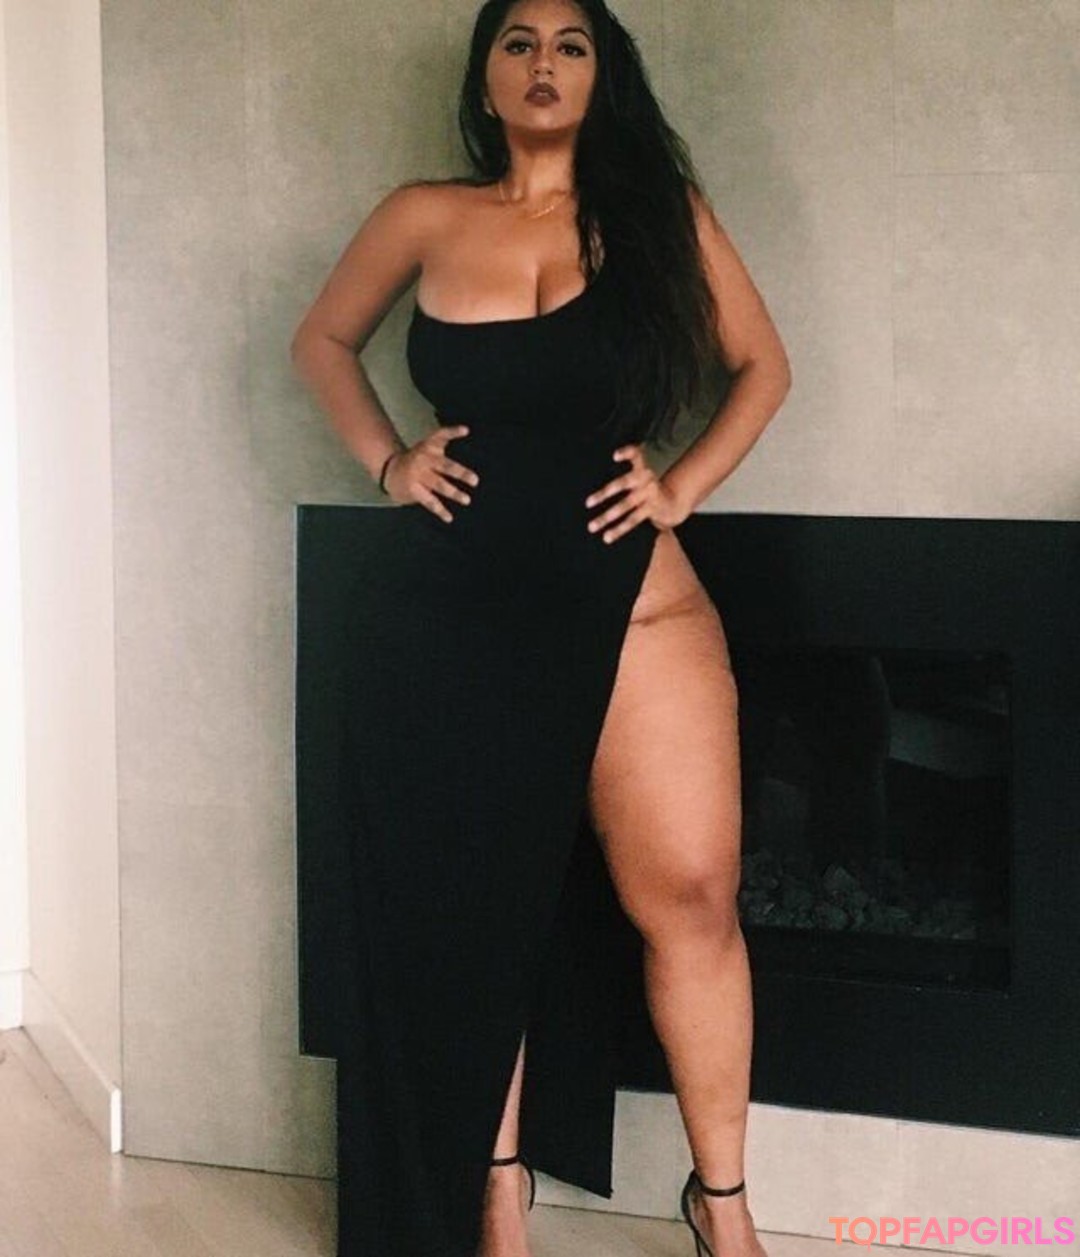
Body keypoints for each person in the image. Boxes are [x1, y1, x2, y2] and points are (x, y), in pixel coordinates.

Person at [289, 1, 791, 1254]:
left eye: (571, 45)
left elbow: (764, 367)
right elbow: (324, 339)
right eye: (518, 44)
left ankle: (722, 1204)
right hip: (451, 616)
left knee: (693, 893)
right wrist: (388, 461)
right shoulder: (424, 214)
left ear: (602, 76)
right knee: (480, 909)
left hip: (633, 604)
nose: (544, 64)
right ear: (485, 79)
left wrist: (681, 486)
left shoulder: (662, 214)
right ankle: (496, 1193)